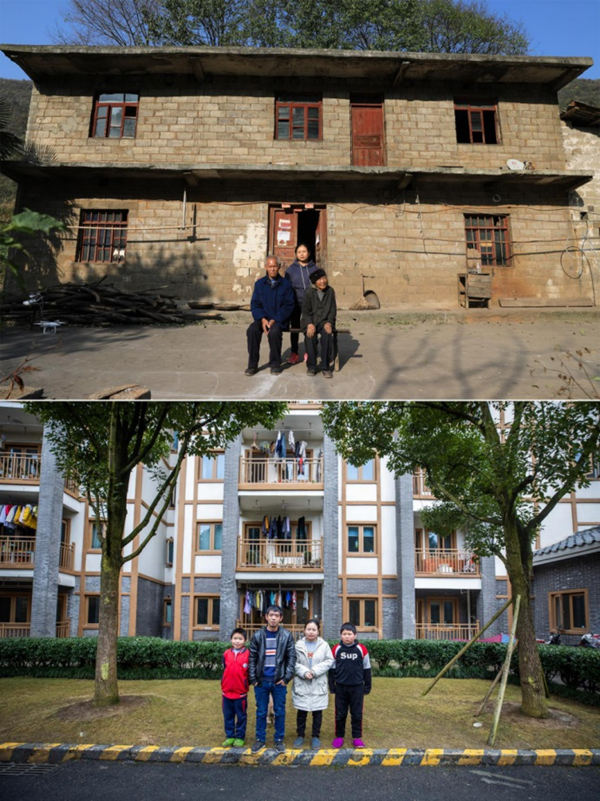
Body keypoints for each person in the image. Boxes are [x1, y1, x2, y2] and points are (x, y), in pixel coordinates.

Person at [248, 605, 297, 752]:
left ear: (281, 618)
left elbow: (291, 658)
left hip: (279, 681)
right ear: (266, 617)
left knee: (280, 711)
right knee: (261, 711)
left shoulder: (287, 636)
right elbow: (252, 658)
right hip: (261, 681)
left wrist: (286, 678)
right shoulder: (257, 635)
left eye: (277, 615)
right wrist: (253, 679)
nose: (274, 618)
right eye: (271, 615)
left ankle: (279, 740)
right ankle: (260, 739)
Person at [246, 256, 296, 375]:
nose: (272, 269)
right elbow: (255, 304)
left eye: (275, 266)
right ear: (266, 267)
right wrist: (262, 318)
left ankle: (275, 364)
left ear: (279, 267)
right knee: (252, 330)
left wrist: (275, 319)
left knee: (274, 332)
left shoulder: (286, 284)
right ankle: (252, 365)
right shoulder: (259, 284)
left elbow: (289, 305)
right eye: (270, 266)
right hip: (262, 318)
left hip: (279, 319)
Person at [292, 618, 334, 749]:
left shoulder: (324, 645)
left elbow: (329, 660)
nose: (311, 632)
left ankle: (315, 736)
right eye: (308, 629)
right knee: (302, 711)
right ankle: (300, 735)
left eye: (313, 629)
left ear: (318, 631)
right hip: (302, 682)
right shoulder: (298, 645)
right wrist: (304, 672)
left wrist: (314, 671)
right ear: (304, 630)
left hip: (318, 682)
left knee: (317, 712)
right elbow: (293, 662)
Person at [328, 622, 371, 749]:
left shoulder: (361, 649)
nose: (347, 636)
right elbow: (332, 669)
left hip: (357, 687)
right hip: (341, 687)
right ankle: (339, 736)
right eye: (344, 634)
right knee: (340, 713)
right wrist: (332, 685)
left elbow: (367, 668)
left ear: (355, 635)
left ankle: (357, 737)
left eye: (349, 634)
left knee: (357, 713)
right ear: (341, 635)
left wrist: (367, 686)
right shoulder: (336, 649)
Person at [300, 268, 337, 378]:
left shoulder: (330, 291)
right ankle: (311, 366)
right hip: (310, 321)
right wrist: (309, 324)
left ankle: (325, 366)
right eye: (319, 280)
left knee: (326, 335)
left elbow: (332, 310)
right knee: (310, 336)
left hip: (325, 321)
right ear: (314, 282)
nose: (323, 281)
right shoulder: (308, 292)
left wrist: (329, 322)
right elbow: (305, 312)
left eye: (324, 278)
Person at [285, 243, 318, 364]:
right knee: (295, 327)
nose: (302, 254)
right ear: (296, 254)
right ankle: (294, 353)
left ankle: (308, 351)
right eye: (299, 252)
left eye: (304, 251)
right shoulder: (290, 270)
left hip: (310, 304)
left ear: (309, 253)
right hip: (295, 303)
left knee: (308, 326)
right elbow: (287, 288)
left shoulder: (314, 268)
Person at [221, 627, 250, 748]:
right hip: (227, 693)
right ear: (231, 639)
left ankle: (239, 737)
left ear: (244, 640)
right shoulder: (226, 653)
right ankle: (230, 736)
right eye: (235, 638)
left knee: (241, 716)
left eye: (240, 639)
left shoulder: (248, 654)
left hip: (240, 694)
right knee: (228, 716)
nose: (237, 641)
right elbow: (224, 668)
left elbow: (249, 672)